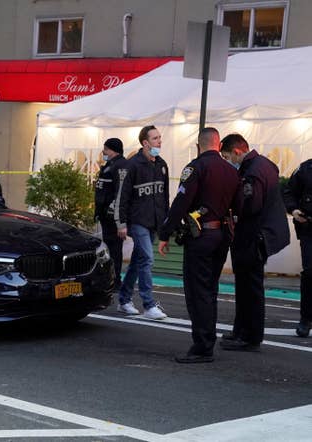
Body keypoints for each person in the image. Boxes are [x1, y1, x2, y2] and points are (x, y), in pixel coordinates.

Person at [158, 127, 240, 363]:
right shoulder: (231, 170)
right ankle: (207, 339)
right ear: (218, 144)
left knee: (197, 291)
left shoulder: (196, 167)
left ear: (198, 145)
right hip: (223, 235)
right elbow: (238, 206)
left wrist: (165, 234)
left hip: (201, 236)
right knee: (210, 289)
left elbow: (181, 203)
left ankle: (203, 346)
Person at [219, 134, 289, 351]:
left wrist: (232, 210)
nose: (227, 160)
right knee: (246, 286)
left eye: (227, 156)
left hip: (253, 235)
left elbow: (250, 206)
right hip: (262, 234)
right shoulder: (266, 164)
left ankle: (250, 336)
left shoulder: (252, 172)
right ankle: (241, 330)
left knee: (250, 288)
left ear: (237, 152)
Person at [113, 125, 169, 319]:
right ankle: (149, 305)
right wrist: (121, 223)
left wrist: (165, 225)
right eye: (155, 138)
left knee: (137, 261)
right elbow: (122, 196)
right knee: (147, 259)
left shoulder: (162, 164)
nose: (159, 141)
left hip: (154, 221)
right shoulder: (132, 165)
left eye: (160, 137)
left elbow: (164, 196)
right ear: (145, 142)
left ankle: (124, 299)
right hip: (138, 221)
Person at [283, 158, 312, 337]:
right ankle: (306, 318)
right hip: (309, 229)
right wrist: (293, 209)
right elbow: (288, 191)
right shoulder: (305, 168)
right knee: (310, 273)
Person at [94, 137, 128, 288]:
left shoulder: (120, 166)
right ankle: (108, 278)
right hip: (104, 214)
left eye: (106, 149)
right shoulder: (110, 164)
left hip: (112, 216)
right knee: (108, 247)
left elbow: (120, 192)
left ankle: (115, 280)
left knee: (114, 249)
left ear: (113, 150)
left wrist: (114, 214)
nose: (103, 152)